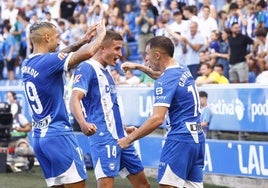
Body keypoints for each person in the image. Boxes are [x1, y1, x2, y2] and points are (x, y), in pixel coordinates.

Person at [21, 20, 106, 188]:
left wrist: (80, 41)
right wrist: (101, 34)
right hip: (58, 134)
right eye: (57, 37)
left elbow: (59, 55)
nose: (60, 41)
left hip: (39, 137)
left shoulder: (27, 64)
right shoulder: (49, 62)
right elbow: (88, 53)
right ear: (46, 37)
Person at [118, 36, 205, 188]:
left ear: (157, 55)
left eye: (147, 55)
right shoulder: (183, 69)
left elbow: (157, 119)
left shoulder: (165, 81)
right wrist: (139, 67)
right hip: (197, 139)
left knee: (166, 185)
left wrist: (128, 140)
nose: (146, 59)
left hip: (180, 139)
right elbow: (162, 76)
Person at [70, 30, 150, 188]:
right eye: (116, 49)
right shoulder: (87, 67)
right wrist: (83, 123)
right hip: (103, 138)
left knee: (143, 185)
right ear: (102, 48)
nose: (120, 54)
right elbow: (74, 98)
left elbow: (107, 106)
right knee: (106, 185)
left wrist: (123, 127)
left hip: (121, 137)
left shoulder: (106, 71)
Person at [6, 91, 34, 172]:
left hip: (20, 138)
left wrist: (20, 129)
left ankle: (27, 160)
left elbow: (29, 128)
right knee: (5, 149)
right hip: (9, 139)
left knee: (23, 146)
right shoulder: (5, 118)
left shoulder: (20, 117)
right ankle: (9, 163)